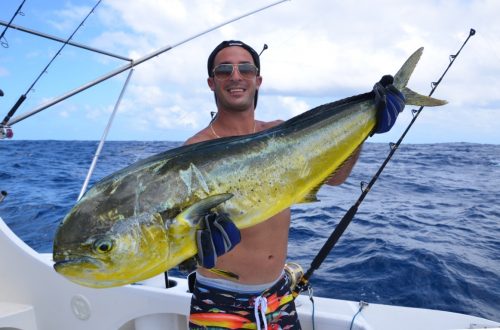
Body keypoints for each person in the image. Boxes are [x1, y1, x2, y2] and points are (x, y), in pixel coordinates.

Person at [184, 40, 405, 330]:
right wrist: (195, 248)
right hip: (219, 301)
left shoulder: (281, 132)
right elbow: (182, 233)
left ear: (257, 80)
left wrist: (365, 127)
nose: (236, 76)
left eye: (245, 69)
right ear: (212, 83)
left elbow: (335, 177)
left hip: (277, 296)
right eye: (225, 70)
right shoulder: (196, 150)